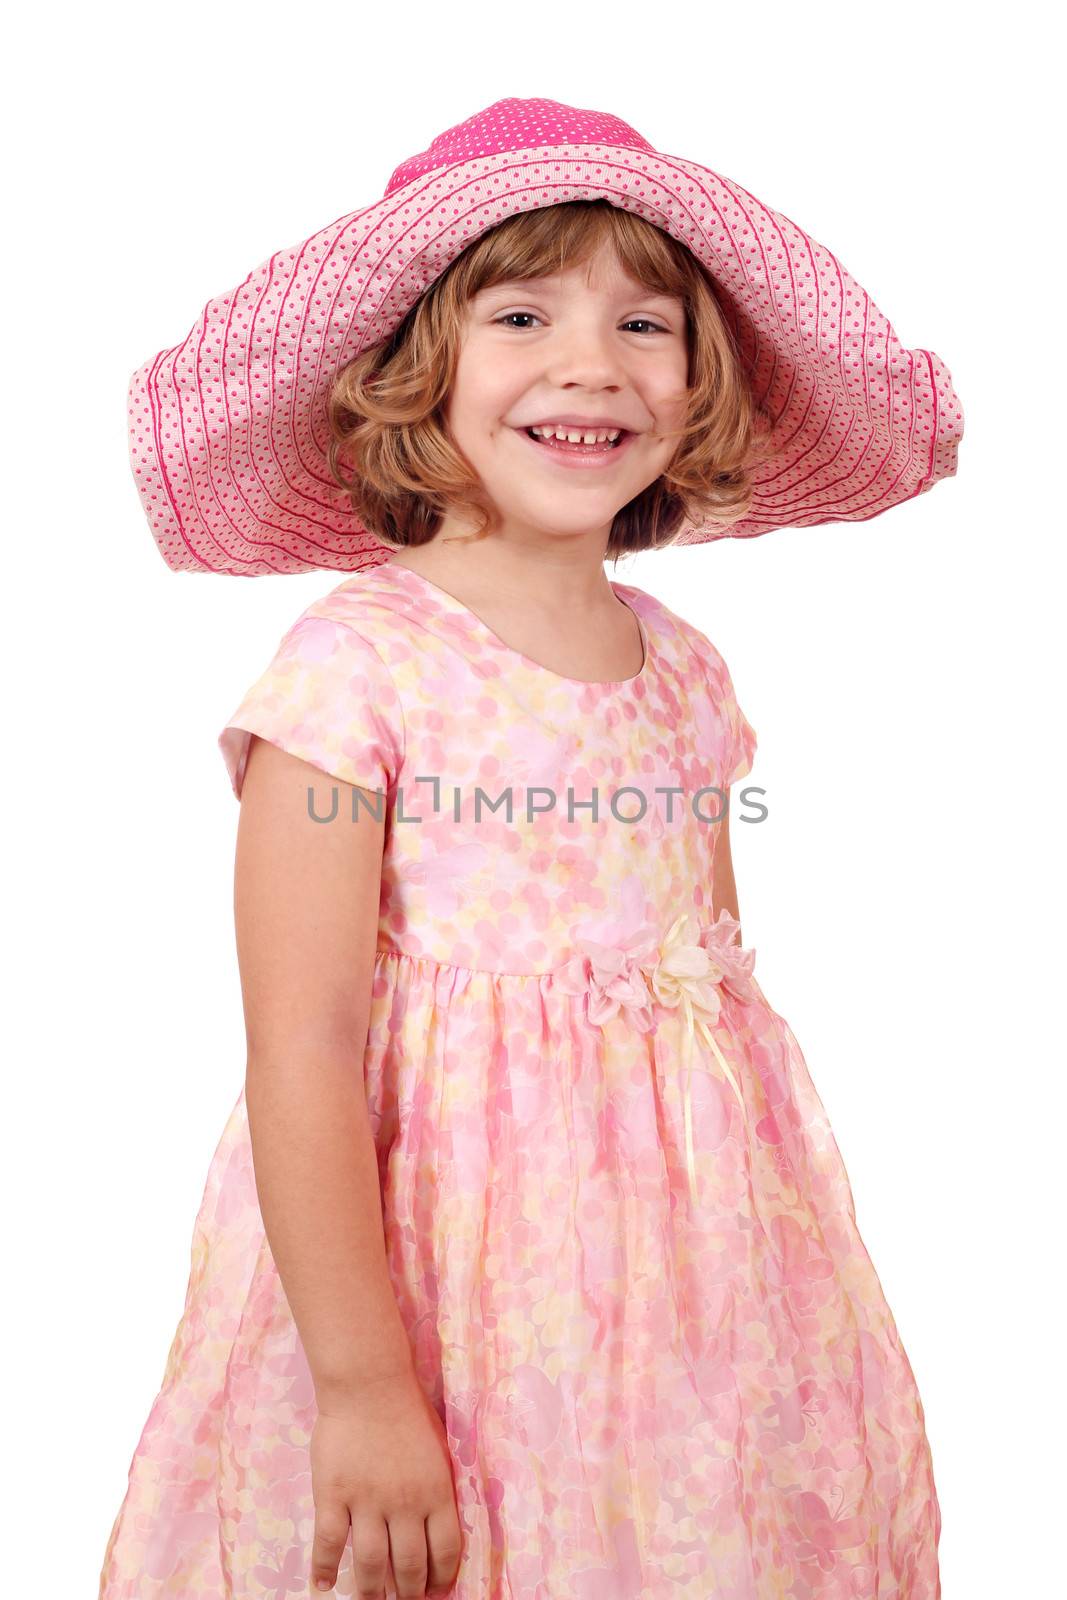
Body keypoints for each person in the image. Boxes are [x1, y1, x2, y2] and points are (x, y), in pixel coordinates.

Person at [100, 97, 963, 1599]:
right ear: (411, 375)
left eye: (647, 323)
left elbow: (710, 996)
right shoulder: (355, 669)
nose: (591, 363)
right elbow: (299, 1043)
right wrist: (366, 1390)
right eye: (521, 313)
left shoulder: (686, 671)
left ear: (699, 388)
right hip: (437, 1280)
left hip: (683, 1290)